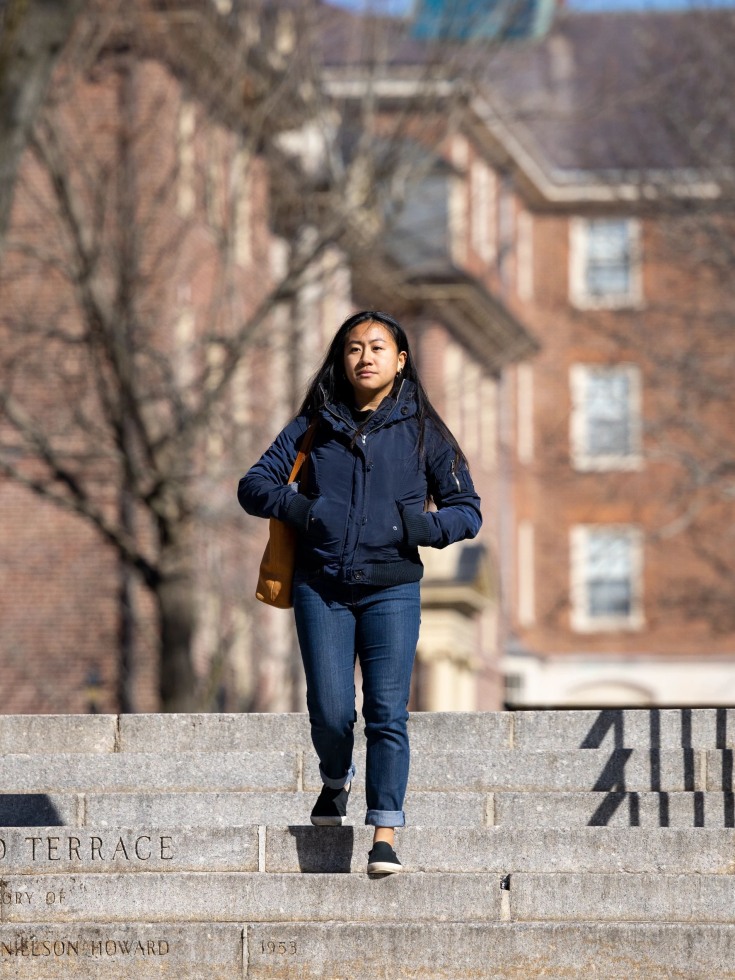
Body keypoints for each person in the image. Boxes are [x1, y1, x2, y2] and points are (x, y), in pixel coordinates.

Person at [238, 310, 481, 874]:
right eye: (353, 348)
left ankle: (386, 832)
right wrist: (305, 510)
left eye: (377, 347)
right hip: (321, 587)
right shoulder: (313, 425)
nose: (364, 357)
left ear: (400, 361)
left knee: (386, 712)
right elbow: (254, 485)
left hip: (392, 589)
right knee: (328, 711)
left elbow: (467, 511)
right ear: (341, 360)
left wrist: (416, 527)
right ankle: (334, 779)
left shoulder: (426, 431)